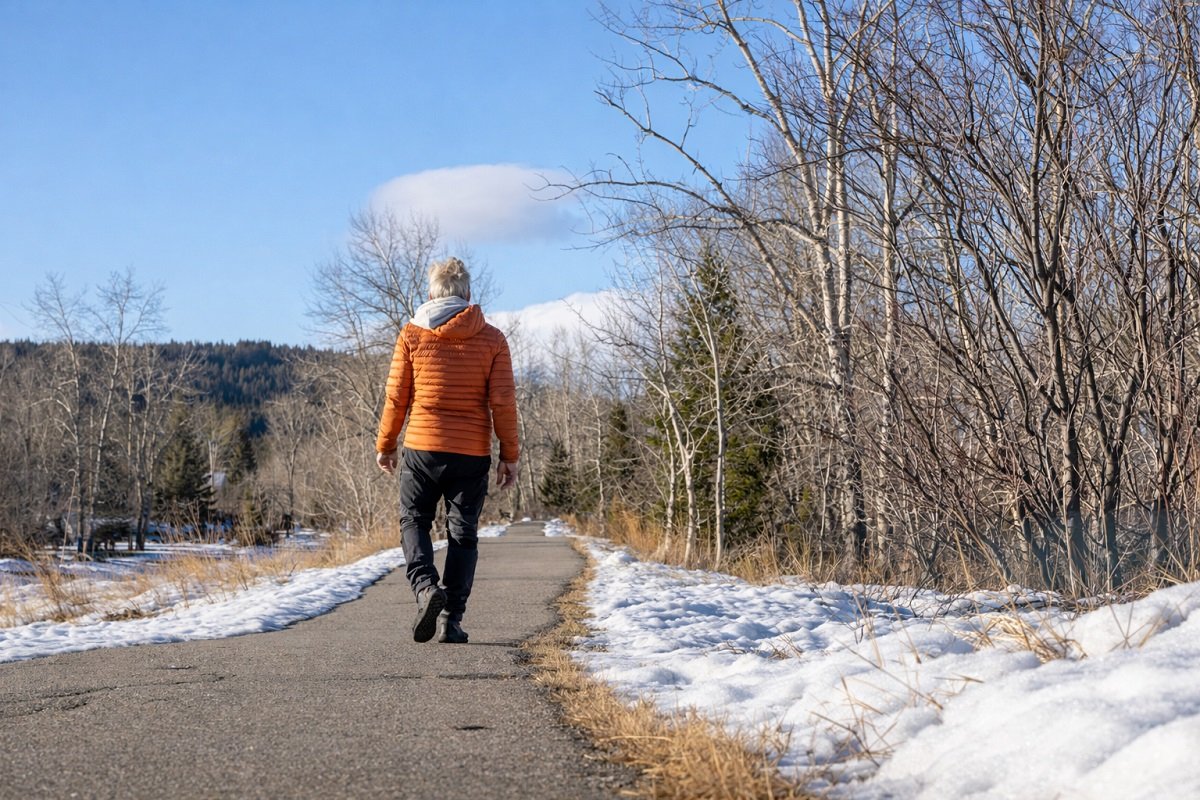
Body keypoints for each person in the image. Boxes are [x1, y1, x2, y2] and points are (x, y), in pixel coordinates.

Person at [375, 257, 519, 644]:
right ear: (468, 295)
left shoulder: (411, 335)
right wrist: (510, 455)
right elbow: (503, 401)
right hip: (471, 452)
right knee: (463, 534)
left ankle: (425, 590)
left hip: (422, 448)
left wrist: (386, 444)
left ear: (430, 294)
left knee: (414, 521)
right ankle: (451, 621)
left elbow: (395, 398)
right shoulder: (493, 338)